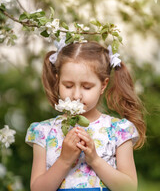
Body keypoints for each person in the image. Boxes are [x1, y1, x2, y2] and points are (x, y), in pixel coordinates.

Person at [25, 40, 146, 191]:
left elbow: (129, 188)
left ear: (103, 85)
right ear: (58, 81)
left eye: (86, 87)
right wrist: (64, 160)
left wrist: (95, 160)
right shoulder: (44, 131)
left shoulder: (118, 130)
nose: (76, 95)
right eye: (68, 85)